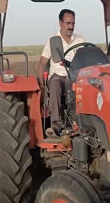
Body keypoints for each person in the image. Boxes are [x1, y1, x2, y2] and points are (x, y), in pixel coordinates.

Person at [37, 9, 84, 137]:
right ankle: (56, 126)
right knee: (55, 84)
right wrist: (42, 86)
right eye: (68, 23)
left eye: (73, 24)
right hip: (58, 77)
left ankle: (83, 124)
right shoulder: (53, 41)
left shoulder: (80, 40)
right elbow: (42, 64)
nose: (71, 27)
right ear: (60, 23)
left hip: (75, 76)